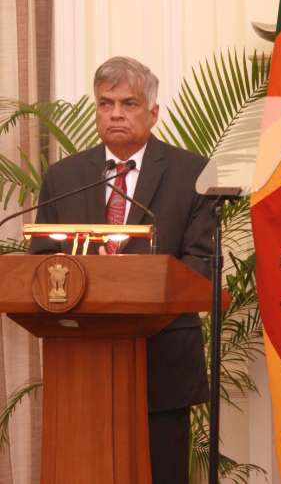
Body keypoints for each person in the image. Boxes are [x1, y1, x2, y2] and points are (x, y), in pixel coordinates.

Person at [31, 56, 213, 484]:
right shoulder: (64, 177)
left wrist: (141, 288)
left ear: (153, 112)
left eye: (129, 103)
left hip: (163, 361)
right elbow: (41, 262)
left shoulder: (193, 173)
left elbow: (201, 267)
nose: (115, 113)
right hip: (80, 364)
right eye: (105, 103)